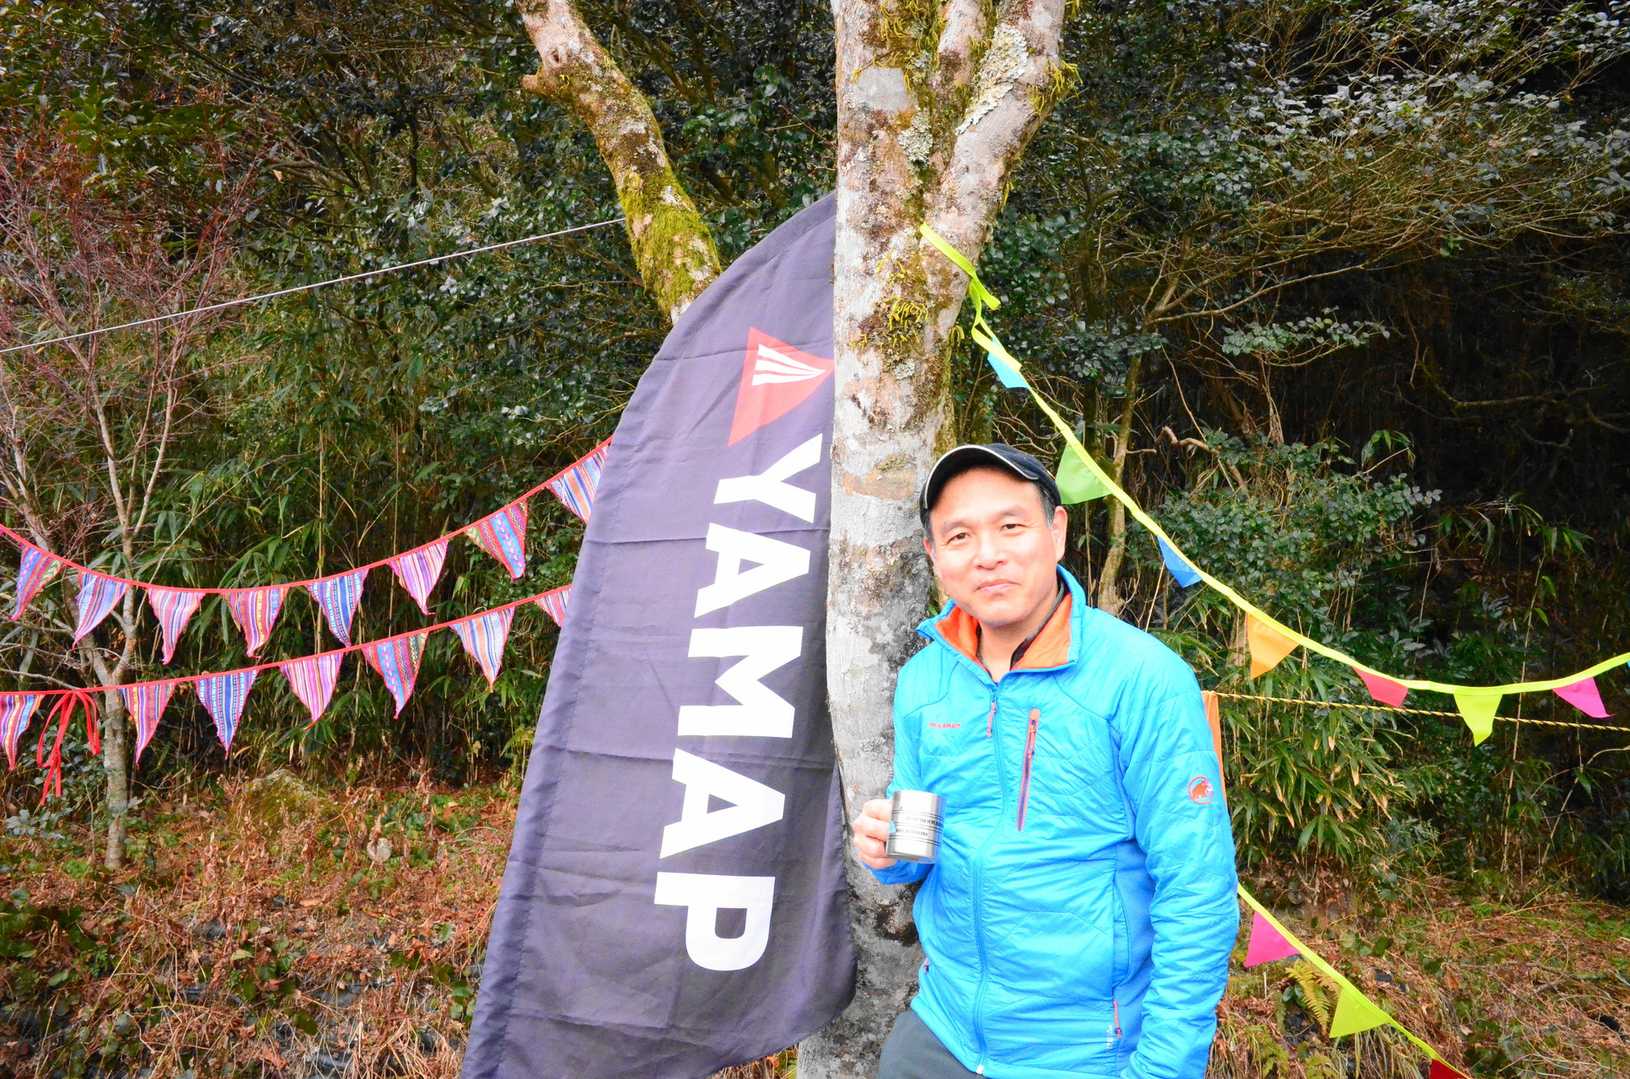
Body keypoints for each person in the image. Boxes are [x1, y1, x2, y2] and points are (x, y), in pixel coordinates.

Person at [851, 443, 1239, 1079]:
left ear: (1056, 532)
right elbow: (919, 849)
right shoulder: (925, 680)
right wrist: (890, 854)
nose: (987, 554)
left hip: (1088, 1050)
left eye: (1011, 525)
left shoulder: (1142, 679)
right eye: (959, 536)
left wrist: (1164, 1069)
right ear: (935, 556)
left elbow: (1197, 891)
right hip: (943, 1030)